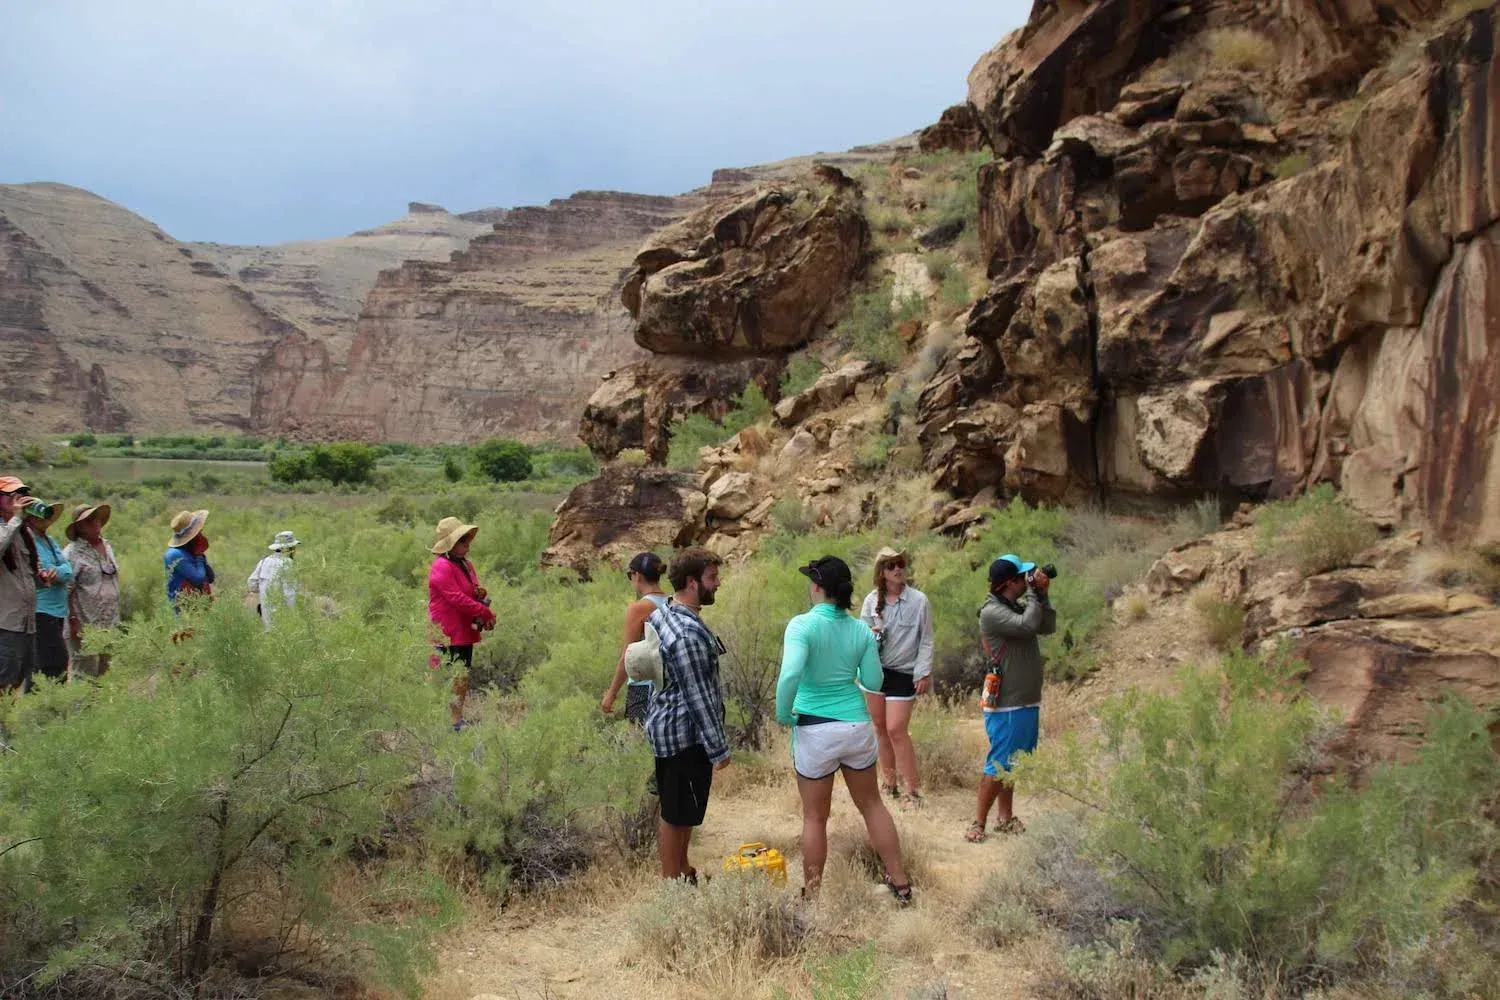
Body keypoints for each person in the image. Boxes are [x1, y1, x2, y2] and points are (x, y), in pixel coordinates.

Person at [778, 555, 913, 904]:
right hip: (855, 725)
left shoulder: (802, 626)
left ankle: (813, 894)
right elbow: (873, 681)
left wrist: (783, 713)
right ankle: (900, 883)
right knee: (872, 804)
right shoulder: (860, 630)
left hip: (815, 727)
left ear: (818, 587)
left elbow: (791, 674)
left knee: (814, 817)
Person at [643, 547, 730, 881]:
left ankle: (682, 869)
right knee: (676, 814)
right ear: (692, 582)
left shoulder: (668, 610)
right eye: (712, 578)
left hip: (667, 726)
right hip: (684, 735)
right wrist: (719, 748)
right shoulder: (687, 634)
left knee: (681, 809)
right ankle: (673, 884)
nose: (717, 583)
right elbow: (698, 697)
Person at [968, 553, 1055, 843]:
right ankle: (978, 823)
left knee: (1014, 763)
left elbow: (1047, 625)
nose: (1026, 581)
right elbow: (1029, 626)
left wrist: (1042, 596)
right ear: (1009, 583)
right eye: (1023, 577)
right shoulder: (991, 612)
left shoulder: (1016, 607)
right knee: (999, 763)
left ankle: (1005, 818)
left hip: (1026, 699)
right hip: (1007, 702)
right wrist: (1033, 593)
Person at [859, 547, 935, 805]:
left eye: (901, 564)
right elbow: (862, 635)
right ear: (882, 572)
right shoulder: (871, 601)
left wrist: (922, 671)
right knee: (880, 728)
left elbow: (926, 639)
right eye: (892, 566)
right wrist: (874, 635)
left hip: (904, 672)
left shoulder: (919, 600)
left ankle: (912, 791)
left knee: (896, 729)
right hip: (875, 672)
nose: (898, 569)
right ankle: (889, 784)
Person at [428, 516, 496, 732]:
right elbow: (455, 598)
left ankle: (455, 721)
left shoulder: (466, 564)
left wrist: (480, 594)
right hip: (446, 630)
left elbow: (471, 589)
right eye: (463, 541)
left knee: (461, 676)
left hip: (463, 629)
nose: (467, 545)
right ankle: (434, 719)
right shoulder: (441, 566)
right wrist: (484, 612)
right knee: (440, 676)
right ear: (451, 544)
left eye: (467, 540)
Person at [601, 551, 670, 724]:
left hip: (643, 685)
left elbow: (627, 655)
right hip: (670, 684)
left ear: (637, 575)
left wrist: (611, 694)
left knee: (639, 739)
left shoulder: (639, 608)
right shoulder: (673, 601)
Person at [62, 502, 120, 678]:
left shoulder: (107, 547)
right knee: (84, 672)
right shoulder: (72, 553)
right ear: (79, 527)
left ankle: (101, 705)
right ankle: (81, 706)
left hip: (110, 621)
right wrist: (73, 620)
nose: (95, 523)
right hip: (84, 622)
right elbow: (66, 589)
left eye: (96, 519)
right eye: (88, 521)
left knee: (106, 672)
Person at [26, 500, 73, 682]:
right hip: (42, 609)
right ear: (31, 519)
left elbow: (67, 569)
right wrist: (56, 572)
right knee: (52, 661)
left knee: (51, 660)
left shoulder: (49, 540)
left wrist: (58, 572)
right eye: (41, 517)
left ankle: (48, 702)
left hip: (57, 610)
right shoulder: (29, 541)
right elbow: (42, 570)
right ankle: (45, 702)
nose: (46, 520)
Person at [0, 477, 39, 694]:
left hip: (26, 621)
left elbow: (26, 572)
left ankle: (9, 725)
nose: (18, 500)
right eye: (12, 495)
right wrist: (15, 520)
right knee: (3, 680)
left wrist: (42, 576)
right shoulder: (9, 528)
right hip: (6, 622)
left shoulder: (23, 532)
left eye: (21, 494)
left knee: (19, 679)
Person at [248, 530, 300, 629]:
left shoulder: (264, 561)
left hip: (266, 614)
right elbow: (290, 594)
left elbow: (252, 584)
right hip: (283, 615)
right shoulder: (289, 564)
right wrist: (294, 618)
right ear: (289, 548)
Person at [164, 509, 215, 610]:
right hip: (184, 609)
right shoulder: (174, 554)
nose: (201, 533)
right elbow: (198, 577)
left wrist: (201, 555)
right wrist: (199, 555)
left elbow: (210, 577)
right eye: (198, 531)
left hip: (199, 605)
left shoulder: (190, 550)